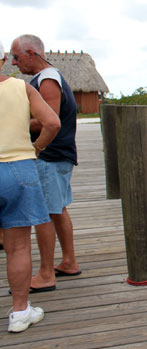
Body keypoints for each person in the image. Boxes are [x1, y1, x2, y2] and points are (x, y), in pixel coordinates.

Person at [11, 35, 80, 292]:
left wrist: (14, 123)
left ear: (31, 53)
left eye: (17, 57)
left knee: (44, 216)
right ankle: (69, 262)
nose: (14, 63)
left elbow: (47, 120)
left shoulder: (47, 80)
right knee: (57, 210)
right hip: (60, 156)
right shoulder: (50, 77)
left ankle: (46, 273)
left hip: (50, 156)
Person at [0, 40, 61, 332]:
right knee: (18, 246)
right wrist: (35, 149)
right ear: (1, 59)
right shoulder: (21, 88)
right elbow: (52, 122)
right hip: (18, 170)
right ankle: (20, 312)